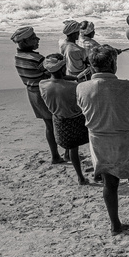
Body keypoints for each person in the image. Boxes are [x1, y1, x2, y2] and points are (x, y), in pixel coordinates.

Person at [76, 44, 129, 234]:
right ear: (113, 64)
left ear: (91, 66)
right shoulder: (126, 85)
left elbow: (82, 107)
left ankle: (115, 225)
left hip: (99, 141)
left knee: (109, 183)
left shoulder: (81, 88)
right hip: (125, 139)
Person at [11, 26, 64, 165]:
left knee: (48, 124)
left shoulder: (18, 56)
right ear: (25, 42)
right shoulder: (37, 59)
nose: (37, 39)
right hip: (43, 93)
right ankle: (67, 153)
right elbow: (53, 73)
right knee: (60, 122)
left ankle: (55, 155)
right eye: (34, 38)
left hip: (31, 92)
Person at [39, 53, 90, 184]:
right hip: (76, 119)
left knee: (72, 148)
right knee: (86, 145)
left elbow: (58, 79)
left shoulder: (43, 84)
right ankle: (87, 175)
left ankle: (80, 176)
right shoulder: (73, 87)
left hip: (59, 120)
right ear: (63, 69)